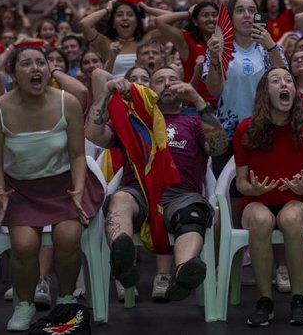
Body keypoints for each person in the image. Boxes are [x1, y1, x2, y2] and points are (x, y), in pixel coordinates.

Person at [0, 46, 104, 331]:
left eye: (41, 62)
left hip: (65, 184)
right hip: (20, 189)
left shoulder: (68, 103)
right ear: (13, 74)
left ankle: (64, 300)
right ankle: (24, 304)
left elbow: (77, 155)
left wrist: (77, 190)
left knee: (68, 237)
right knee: (24, 245)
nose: (36, 68)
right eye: (26, 64)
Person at [85, 66, 227, 302]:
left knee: (192, 215)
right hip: (138, 191)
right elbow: (92, 134)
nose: (168, 84)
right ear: (149, 89)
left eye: (173, 79)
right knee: (119, 199)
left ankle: (183, 271)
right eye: (160, 80)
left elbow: (219, 147)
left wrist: (197, 99)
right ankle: (123, 262)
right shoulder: (135, 121)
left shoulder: (193, 122)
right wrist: (106, 93)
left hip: (182, 196)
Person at [234, 67, 303, 326]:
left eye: (288, 81)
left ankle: (298, 298)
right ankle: (265, 300)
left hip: (295, 200)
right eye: (276, 80)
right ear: (265, 92)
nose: (284, 84)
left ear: (294, 92)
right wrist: (255, 190)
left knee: (292, 218)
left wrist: (300, 187)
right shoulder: (246, 129)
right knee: (260, 220)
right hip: (256, 200)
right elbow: (240, 183)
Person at [203, 0, 286, 175]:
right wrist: (215, 59)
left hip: (267, 130)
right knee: (229, 195)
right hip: (228, 134)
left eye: (252, 10)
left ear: (258, 16)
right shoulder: (218, 47)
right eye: (240, 10)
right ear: (230, 18)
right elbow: (214, 90)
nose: (247, 15)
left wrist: (271, 47)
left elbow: (285, 86)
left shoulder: (271, 47)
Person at [78, 0, 165, 78]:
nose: (125, 18)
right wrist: (107, 10)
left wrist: (147, 9)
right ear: (113, 24)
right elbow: (84, 24)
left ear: (137, 22)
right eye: (119, 15)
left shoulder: (148, 40)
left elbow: (175, 20)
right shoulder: (106, 43)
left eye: (130, 15)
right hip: (115, 91)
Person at [155, 2, 218, 106]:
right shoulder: (187, 40)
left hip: (223, 105)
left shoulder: (227, 41)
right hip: (194, 108)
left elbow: (255, 18)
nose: (211, 19)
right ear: (195, 21)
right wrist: (189, 13)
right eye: (205, 15)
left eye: (214, 15)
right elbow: (160, 21)